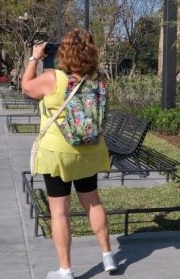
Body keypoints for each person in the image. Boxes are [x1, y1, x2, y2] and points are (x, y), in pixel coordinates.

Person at [22, 29, 115, 279]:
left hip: (58, 153)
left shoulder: (52, 78)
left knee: (59, 211)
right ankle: (108, 256)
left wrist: (35, 58)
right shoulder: (98, 78)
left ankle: (65, 270)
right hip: (90, 150)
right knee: (93, 202)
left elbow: (26, 87)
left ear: (62, 51)